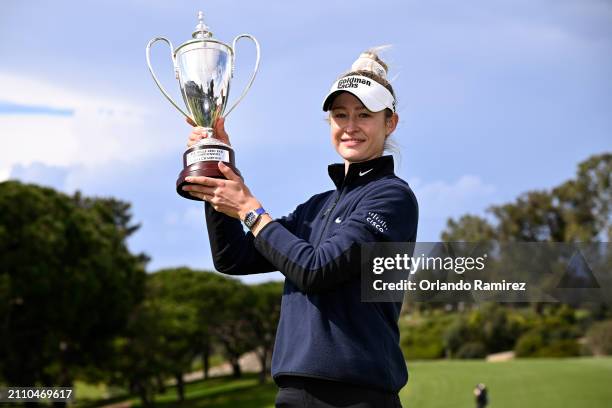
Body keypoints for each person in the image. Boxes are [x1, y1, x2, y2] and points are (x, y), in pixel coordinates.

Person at [182, 48, 418, 408]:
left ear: (390, 123)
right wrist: (219, 171)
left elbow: (316, 269)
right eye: (340, 115)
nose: (350, 126)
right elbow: (234, 258)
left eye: (364, 115)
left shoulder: (392, 198)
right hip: (293, 394)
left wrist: (249, 209)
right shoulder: (317, 206)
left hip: (358, 397)